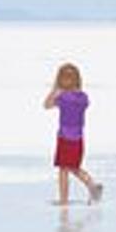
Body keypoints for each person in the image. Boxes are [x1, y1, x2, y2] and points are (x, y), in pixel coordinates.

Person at [42, 62, 103, 206]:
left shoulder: (63, 97)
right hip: (79, 139)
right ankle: (92, 185)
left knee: (64, 169)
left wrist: (54, 90)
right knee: (73, 167)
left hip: (64, 138)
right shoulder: (83, 97)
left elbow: (46, 105)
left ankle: (64, 200)